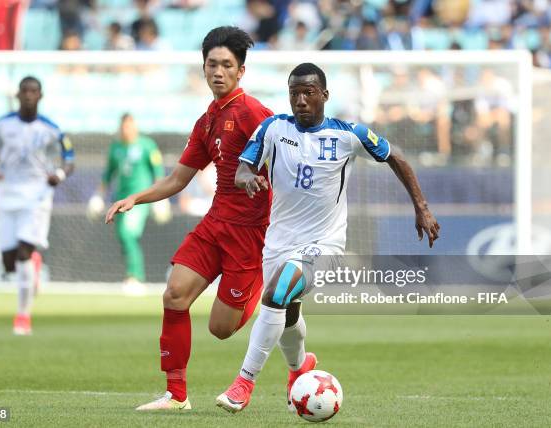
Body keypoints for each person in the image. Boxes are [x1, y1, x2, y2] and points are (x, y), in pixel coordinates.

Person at [216, 63, 440, 413]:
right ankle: (298, 371)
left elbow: (396, 157)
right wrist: (246, 179)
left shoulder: (348, 134)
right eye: (294, 94)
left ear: (325, 95)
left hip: (325, 245)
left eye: (308, 93)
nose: (301, 100)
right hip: (278, 243)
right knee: (287, 311)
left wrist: (421, 207)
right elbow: (243, 168)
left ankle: (243, 383)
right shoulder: (273, 128)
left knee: (275, 294)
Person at [105, 26, 274, 410]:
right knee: (175, 293)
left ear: (240, 72)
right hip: (215, 224)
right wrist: (135, 197)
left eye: (226, 65)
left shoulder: (255, 114)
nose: (218, 71)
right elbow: (178, 179)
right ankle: (176, 394)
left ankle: (263, 285)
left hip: (250, 234)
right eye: (211, 64)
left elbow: (286, 159)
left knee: (220, 329)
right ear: (203, 69)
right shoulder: (207, 121)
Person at [0, 76, 75, 336]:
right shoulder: (2, 125)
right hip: (7, 193)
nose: (28, 95)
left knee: (23, 253)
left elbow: (69, 159)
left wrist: (58, 174)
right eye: (24, 91)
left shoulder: (51, 128)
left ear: (41, 96)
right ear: (18, 95)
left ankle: (23, 316)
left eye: (33, 91)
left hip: (37, 195)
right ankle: (33, 263)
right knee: (8, 262)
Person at [88, 113, 166, 286]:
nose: (126, 130)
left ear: (135, 126)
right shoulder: (116, 147)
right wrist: (98, 196)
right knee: (124, 238)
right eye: (124, 126)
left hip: (139, 199)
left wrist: (161, 199)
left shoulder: (147, 145)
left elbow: (158, 172)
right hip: (120, 199)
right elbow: (108, 174)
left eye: (129, 126)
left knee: (128, 233)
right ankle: (131, 275)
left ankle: (135, 277)